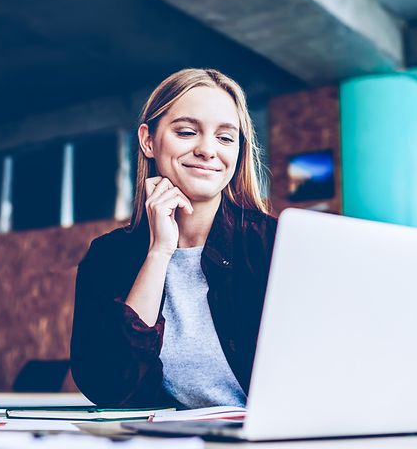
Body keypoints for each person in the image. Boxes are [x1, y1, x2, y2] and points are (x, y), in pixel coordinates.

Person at [70, 68, 277, 409]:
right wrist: (159, 252)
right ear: (148, 141)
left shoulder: (273, 245)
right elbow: (110, 385)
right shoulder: (109, 256)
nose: (208, 150)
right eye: (186, 132)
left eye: (225, 137)